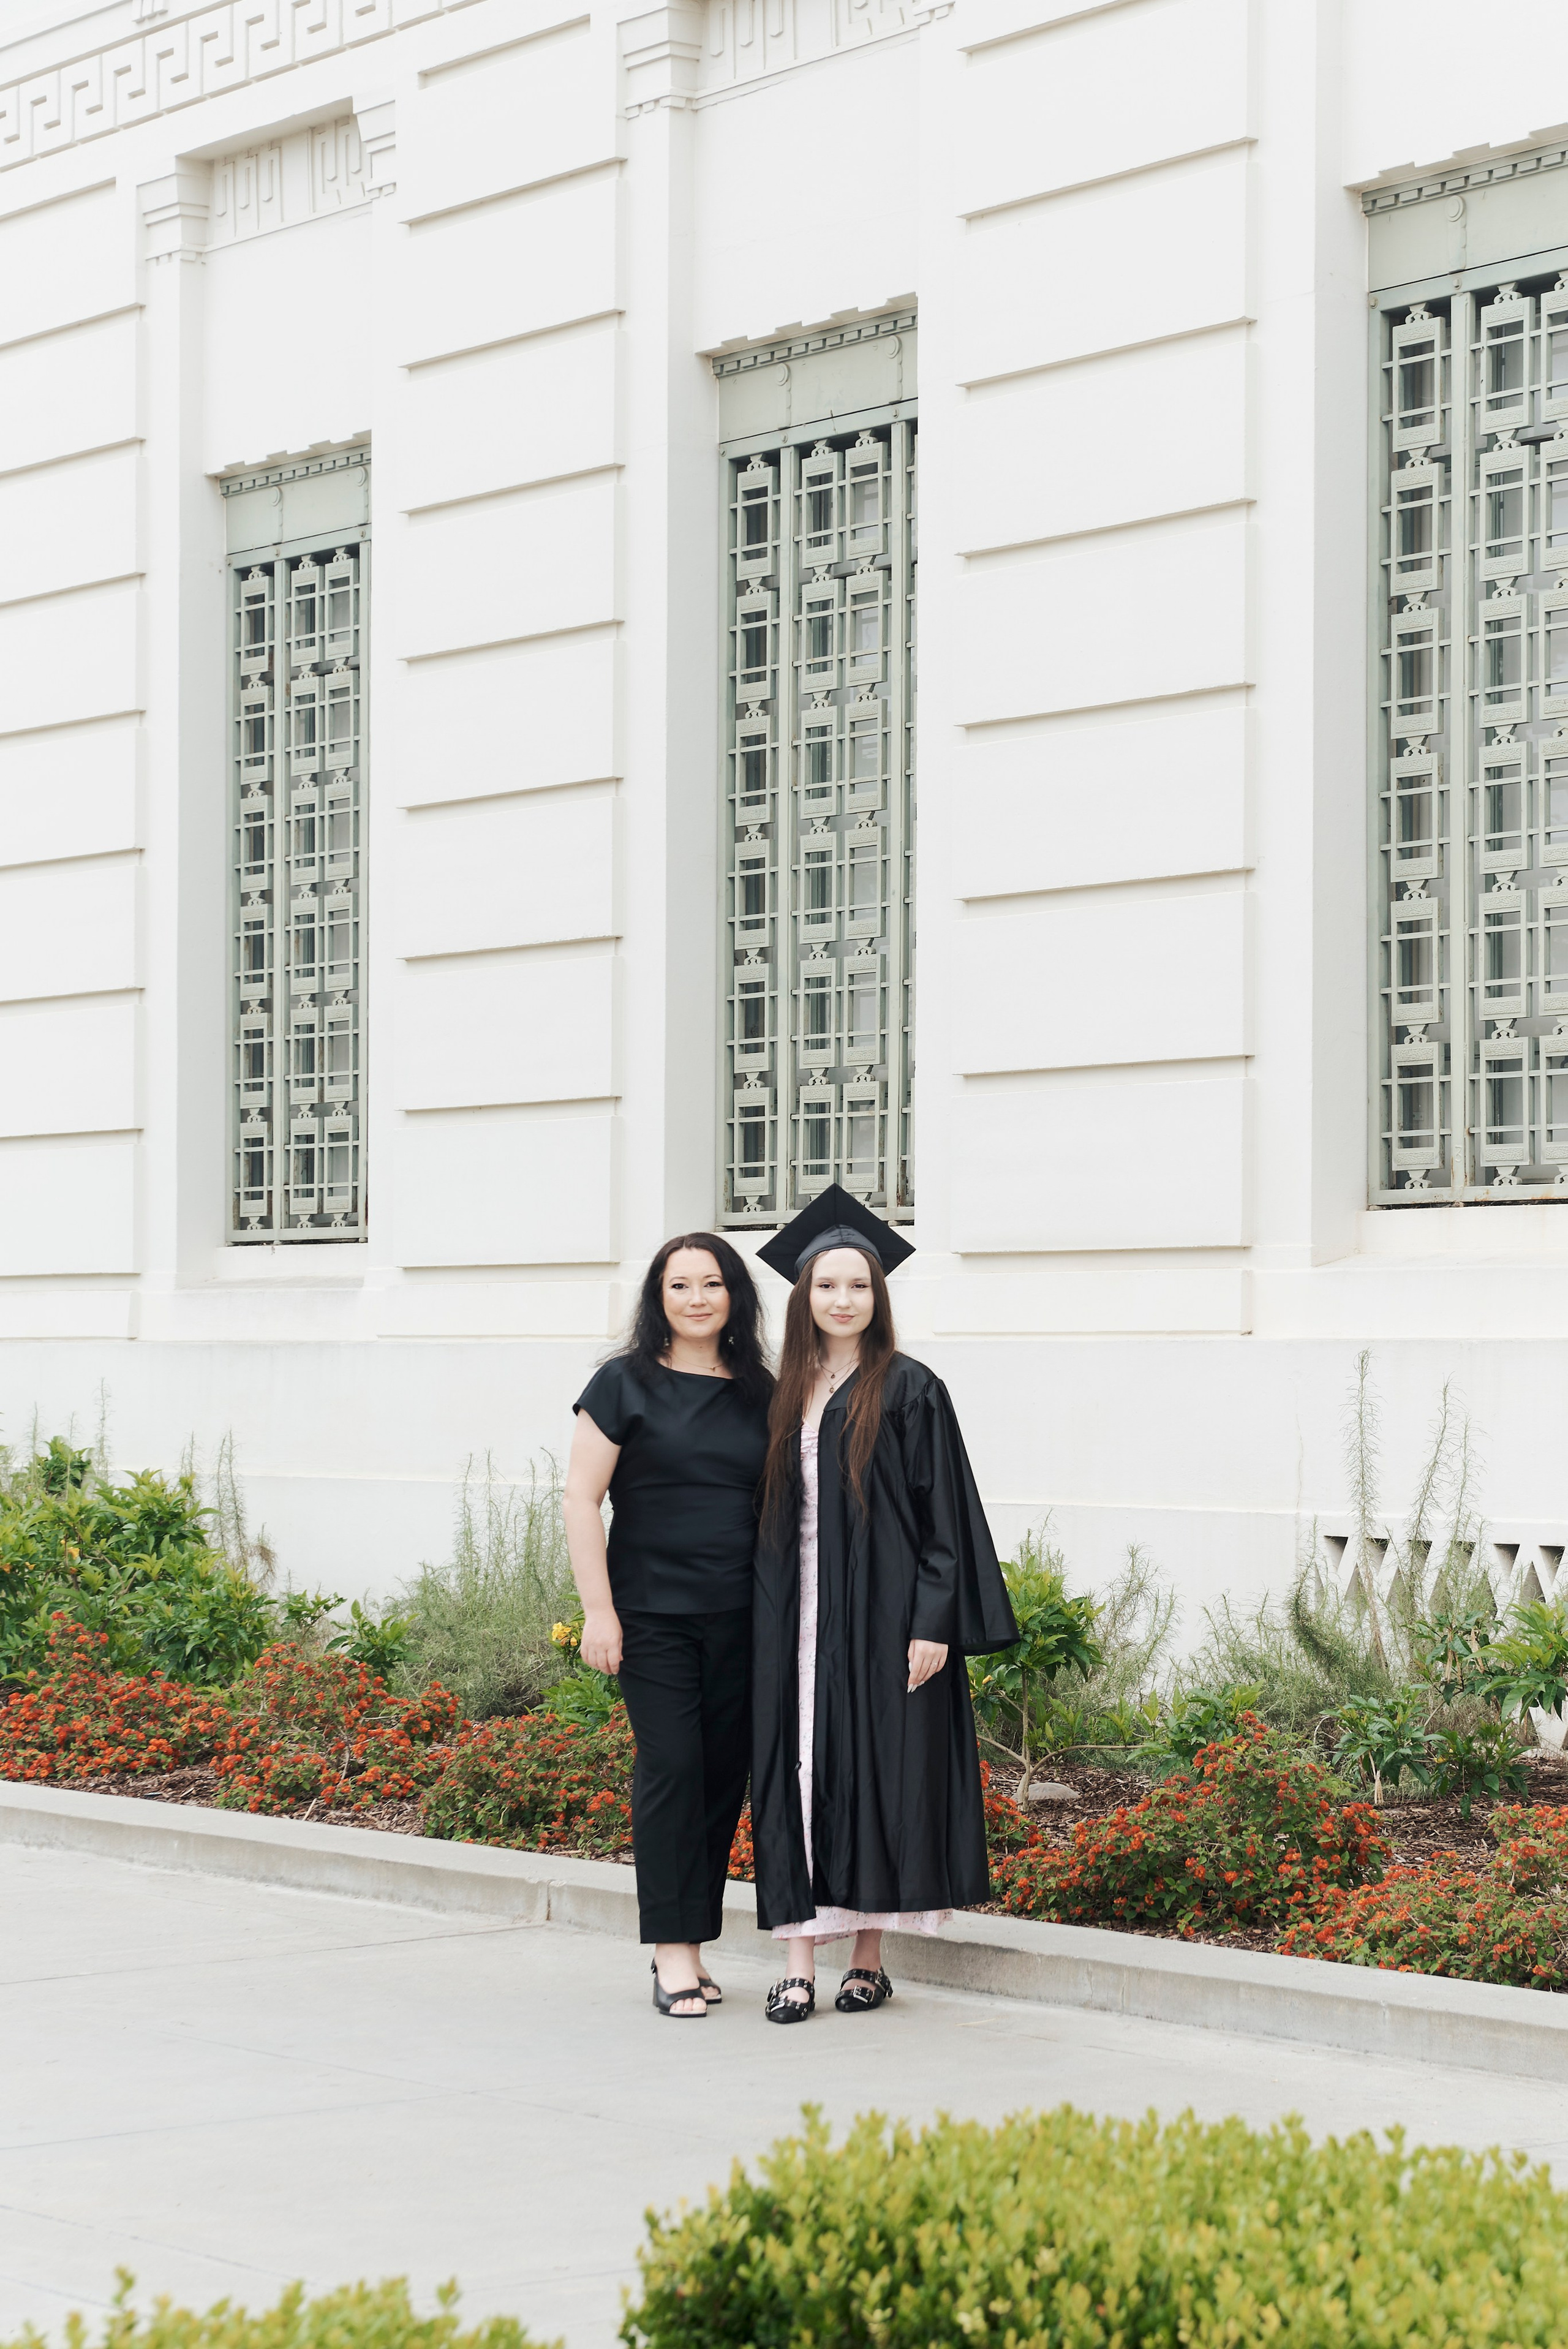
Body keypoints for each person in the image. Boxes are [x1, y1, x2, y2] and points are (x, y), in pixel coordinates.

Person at [750, 1185, 1019, 2022]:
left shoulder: (909, 1388)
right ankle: (797, 1960)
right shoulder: (779, 1390)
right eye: (827, 1286)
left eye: (858, 1285)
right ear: (803, 1296)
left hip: (881, 1616)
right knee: (794, 1773)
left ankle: (867, 1958)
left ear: (879, 1295)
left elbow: (948, 1517)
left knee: (877, 1773)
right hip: (792, 1619)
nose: (842, 1299)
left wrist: (933, 1619)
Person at [564, 1234, 773, 2018]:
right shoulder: (622, 1384)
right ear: (658, 1298)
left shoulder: (760, 1389)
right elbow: (582, 1499)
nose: (695, 1298)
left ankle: (696, 1939)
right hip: (649, 1614)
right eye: (678, 1284)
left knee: (723, 1775)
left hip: (744, 1614)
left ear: (733, 1297)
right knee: (673, 1767)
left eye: (710, 1283)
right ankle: (671, 1951)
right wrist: (598, 1610)